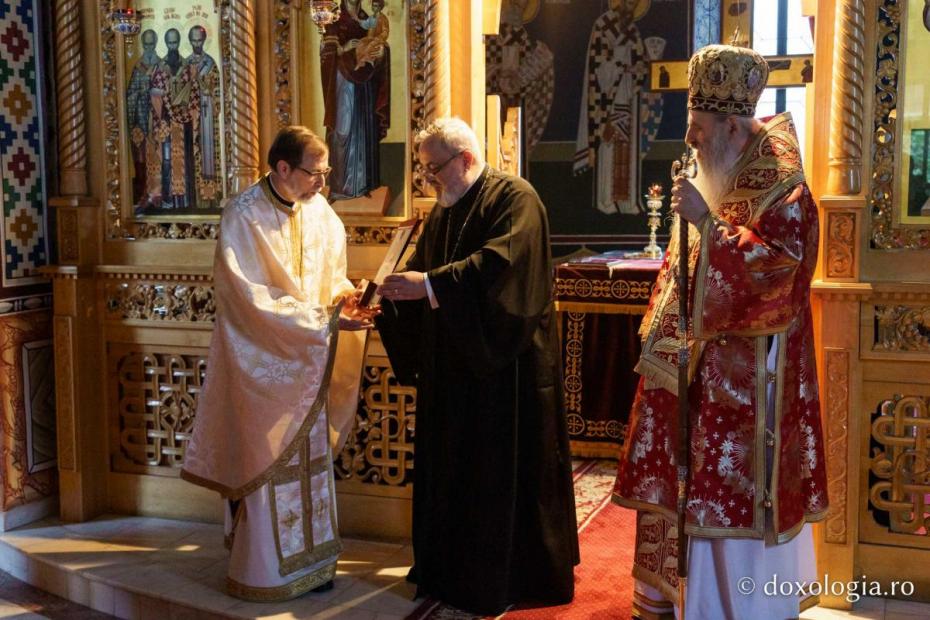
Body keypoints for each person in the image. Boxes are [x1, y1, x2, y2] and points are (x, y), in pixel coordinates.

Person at [612, 44, 828, 619]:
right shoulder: (721, 168)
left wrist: (706, 225)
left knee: (726, 500)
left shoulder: (785, 188)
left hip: (750, 389)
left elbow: (777, 277)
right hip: (699, 371)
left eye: (698, 127)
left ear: (732, 125)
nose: (690, 139)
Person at [376, 117, 579, 615]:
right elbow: (422, 272)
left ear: (465, 158)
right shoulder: (444, 209)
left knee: (499, 475)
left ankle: (507, 576)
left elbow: (502, 266)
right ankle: (447, 569)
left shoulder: (516, 198)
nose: (428, 180)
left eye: (434, 168)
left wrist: (429, 286)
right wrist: (387, 298)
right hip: (453, 371)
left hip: (506, 370)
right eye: (423, 169)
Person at [181, 126, 376, 601]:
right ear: (283, 168)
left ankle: (314, 564)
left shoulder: (321, 212)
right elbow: (247, 298)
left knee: (311, 465)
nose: (323, 183)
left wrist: (346, 301)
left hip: (309, 362)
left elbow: (330, 279)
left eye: (327, 172)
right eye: (315, 173)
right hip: (263, 369)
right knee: (268, 463)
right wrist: (324, 321)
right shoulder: (243, 215)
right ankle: (267, 572)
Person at [573, 0, 649, 214]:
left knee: (626, 148)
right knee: (608, 144)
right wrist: (621, 66)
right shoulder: (603, 25)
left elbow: (641, 62)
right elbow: (597, 65)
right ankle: (606, 200)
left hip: (628, 97)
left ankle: (626, 201)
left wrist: (638, 69)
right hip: (606, 100)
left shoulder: (632, 29)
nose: (632, 5)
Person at [320, 0, 390, 201]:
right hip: (342, 81)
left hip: (364, 84)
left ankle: (362, 185)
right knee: (343, 128)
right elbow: (325, 49)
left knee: (363, 129)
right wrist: (343, 49)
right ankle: (339, 188)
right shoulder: (334, 19)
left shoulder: (365, 19)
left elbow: (377, 41)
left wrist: (380, 51)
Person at [125, 29, 160, 207]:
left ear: (156, 43)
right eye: (145, 44)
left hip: (157, 121)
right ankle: (143, 193)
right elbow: (130, 94)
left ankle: (158, 194)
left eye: (151, 44)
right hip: (141, 118)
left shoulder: (161, 65)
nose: (148, 47)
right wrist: (140, 93)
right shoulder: (138, 68)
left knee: (158, 156)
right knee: (141, 157)